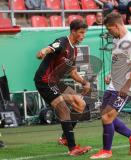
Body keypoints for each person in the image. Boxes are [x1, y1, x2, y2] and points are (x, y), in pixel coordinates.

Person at [34, 20, 92, 156]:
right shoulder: (62, 41)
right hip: (44, 80)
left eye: (85, 33)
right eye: (81, 33)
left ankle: (65, 138)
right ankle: (72, 149)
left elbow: (72, 73)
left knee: (80, 104)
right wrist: (43, 51)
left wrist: (84, 82)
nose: (83, 36)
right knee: (64, 110)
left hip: (55, 82)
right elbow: (50, 48)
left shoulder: (74, 50)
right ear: (73, 31)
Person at [90, 12, 131, 159]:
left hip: (125, 87)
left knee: (107, 118)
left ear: (117, 26)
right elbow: (119, 62)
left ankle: (107, 151)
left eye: (109, 29)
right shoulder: (117, 39)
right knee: (104, 116)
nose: (108, 32)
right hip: (113, 85)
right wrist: (111, 75)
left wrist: (126, 86)